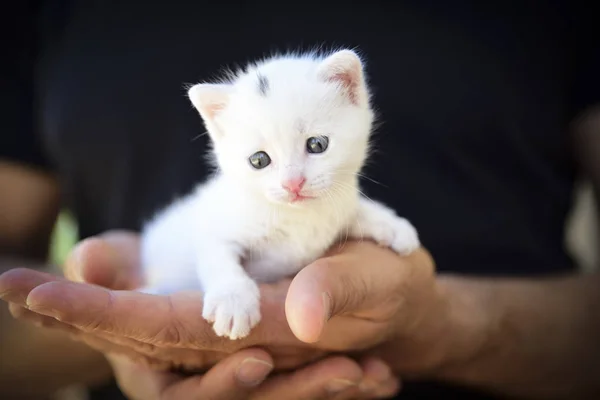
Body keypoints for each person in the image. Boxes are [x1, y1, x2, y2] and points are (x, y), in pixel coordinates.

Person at [1, 1, 599, 399]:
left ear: (353, 98)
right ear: (222, 135)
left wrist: (435, 315)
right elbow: (216, 245)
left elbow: (341, 211)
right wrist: (210, 296)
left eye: (315, 145)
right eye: (260, 161)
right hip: (171, 273)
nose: (291, 181)